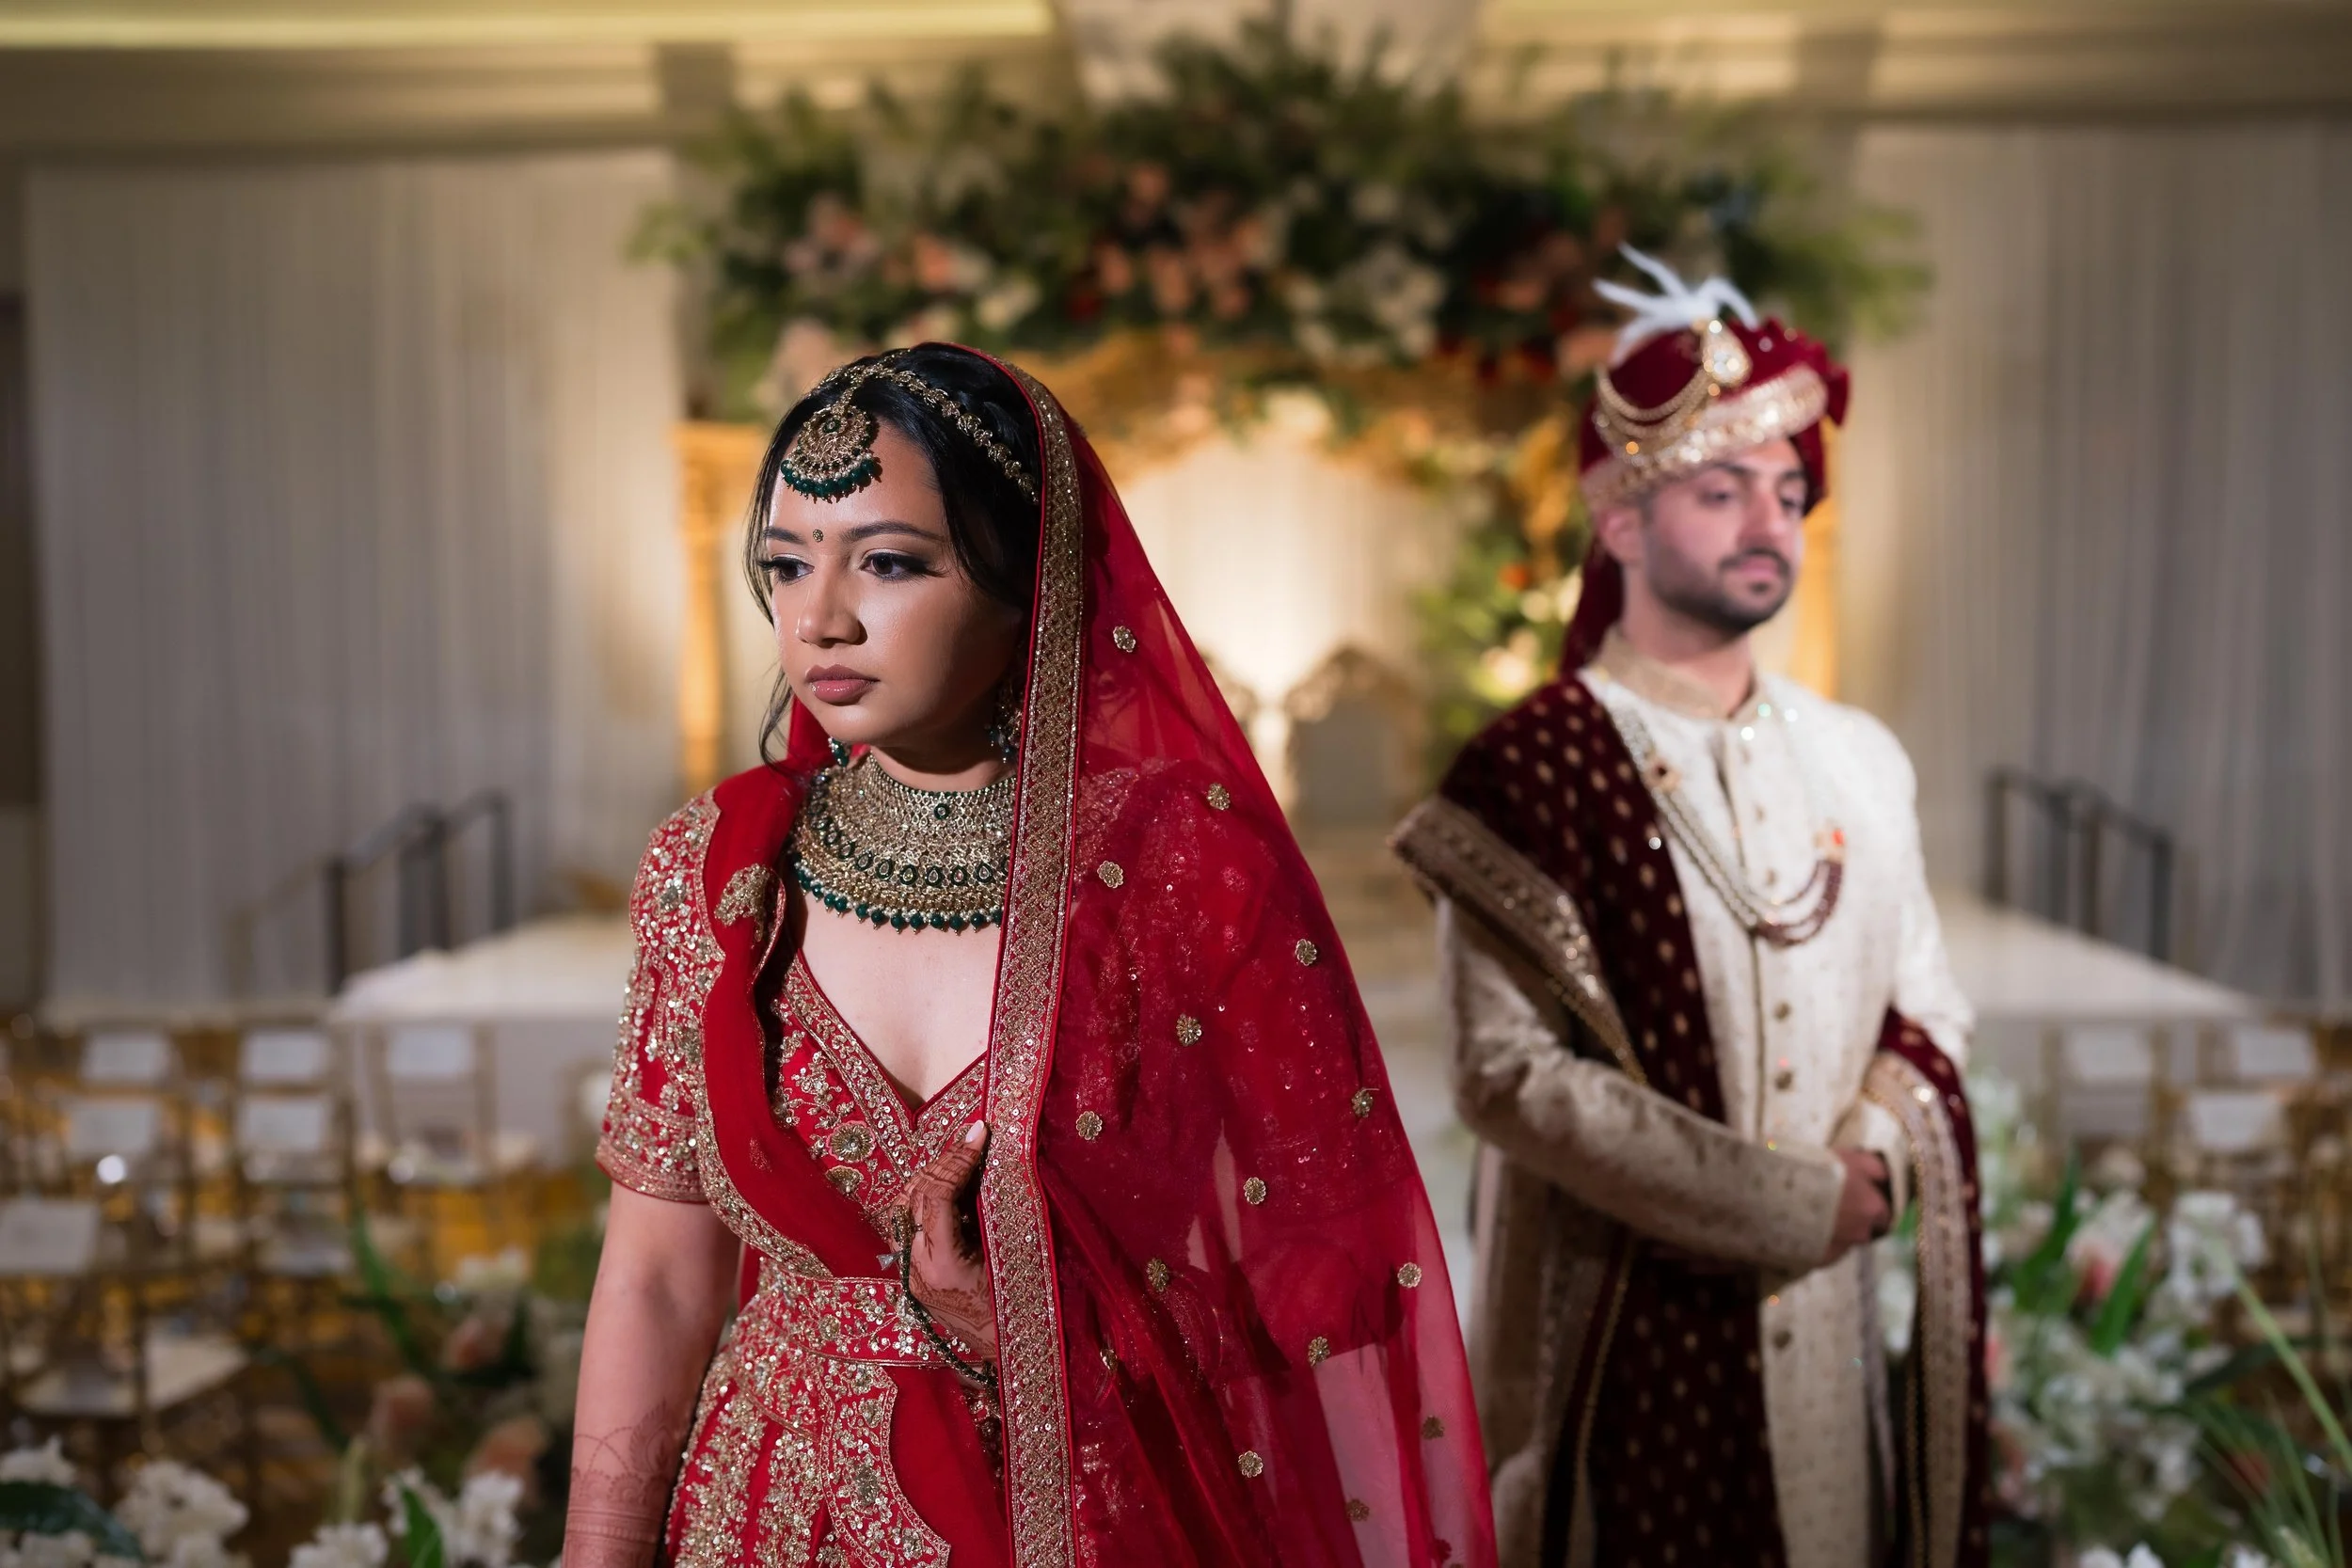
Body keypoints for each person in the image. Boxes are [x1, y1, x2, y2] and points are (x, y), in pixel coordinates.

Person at [564, 342, 1496, 1568]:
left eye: (892, 562)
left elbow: (1334, 1274)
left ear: (1031, 577)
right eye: (788, 564)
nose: (821, 615)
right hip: (774, 1517)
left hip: (1105, 1511)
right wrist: (597, 1552)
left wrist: (1056, 1329)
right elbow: (658, 1276)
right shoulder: (721, 871)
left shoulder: (1184, 870)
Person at [1391, 253, 1989, 1568]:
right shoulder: (1530, 768)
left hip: (1826, 1335)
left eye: (1787, 492)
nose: (1769, 522)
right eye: (1721, 491)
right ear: (1620, 524)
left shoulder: (1861, 759)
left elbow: (1928, 1001)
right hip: (1615, 1322)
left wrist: (1873, 1170)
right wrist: (1787, 1201)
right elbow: (1504, 1075)